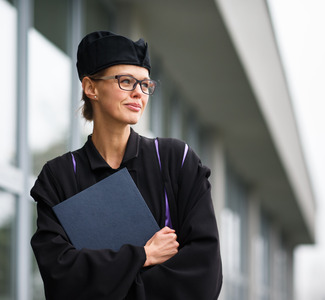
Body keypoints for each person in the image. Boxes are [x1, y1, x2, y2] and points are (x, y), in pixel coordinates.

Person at [30, 31, 222, 300]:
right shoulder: (59, 177)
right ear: (91, 87)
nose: (138, 93)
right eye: (126, 81)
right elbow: (61, 277)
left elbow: (204, 275)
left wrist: (112, 277)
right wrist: (143, 255)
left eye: (145, 85)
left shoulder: (176, 161)